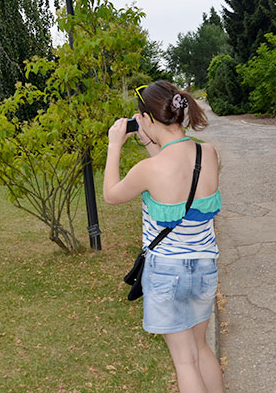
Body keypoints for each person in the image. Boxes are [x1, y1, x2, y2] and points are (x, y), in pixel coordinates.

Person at [103, 80, 224, 393]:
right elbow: (178, 167)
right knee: (201, 350)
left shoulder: (149, 169)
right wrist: (149, 140)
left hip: (168, 272)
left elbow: (111, 195)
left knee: (184, 362)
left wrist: (114, 146)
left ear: (147, 119)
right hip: (204, 266)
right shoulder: (208, 154)